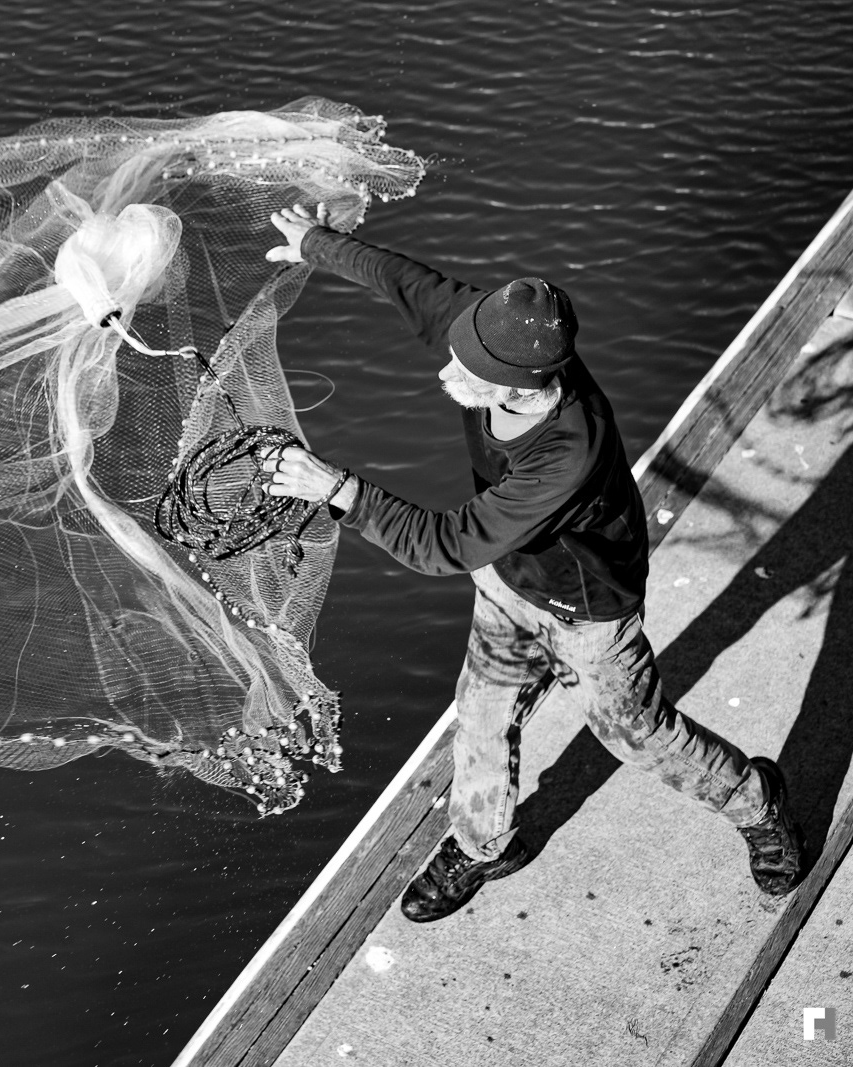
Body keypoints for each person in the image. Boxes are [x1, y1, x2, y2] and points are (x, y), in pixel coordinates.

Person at [259, 203, 805, 923]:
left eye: (468, 368)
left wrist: (337, 489)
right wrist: (316, 242)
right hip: (506, 583)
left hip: (586, 614)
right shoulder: (495, 334)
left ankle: (757, 802)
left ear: (521, 385)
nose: (449, 364)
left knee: (635, 736)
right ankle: (484, 845)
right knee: (480, 718)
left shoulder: (566, 451)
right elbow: (406, 282)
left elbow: (444, 544)